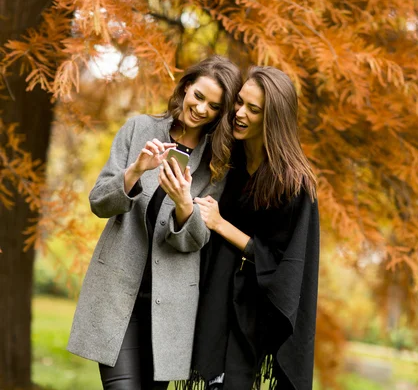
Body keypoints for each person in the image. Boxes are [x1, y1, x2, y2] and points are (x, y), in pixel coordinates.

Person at [67, 55, 242, 389]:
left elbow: (194, 240)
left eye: (215, 106)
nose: (202, 109)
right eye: (199, 96)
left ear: (222, 113)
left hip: (170, 308)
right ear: (186, 88)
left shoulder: (217, 163)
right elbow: (99, 202)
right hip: (118, 296)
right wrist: (136, 170)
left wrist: (183, 203)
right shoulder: (138, 130)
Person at [181, 66, 320, 390]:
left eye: (253, 109)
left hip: (255, 315)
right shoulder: (230, 159)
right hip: (215, 298)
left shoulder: (293, 183)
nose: (240, 114)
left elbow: (286, 265)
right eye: (240, 103)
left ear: (272, 118)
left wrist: (221, 225)